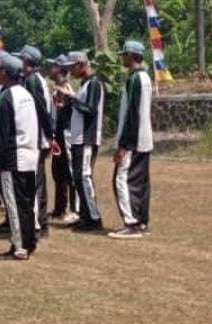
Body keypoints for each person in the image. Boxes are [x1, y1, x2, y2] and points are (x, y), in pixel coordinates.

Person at [0, 54, 40, 260]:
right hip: (29, 154)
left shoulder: (4, 97)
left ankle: (20, 247)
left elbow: (2, 135)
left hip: (13, 158)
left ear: (4, 72)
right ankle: (29, 242)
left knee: (14, 204)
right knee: (26, 203)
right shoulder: (25, 94)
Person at [109, 41, 155, 240]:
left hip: (133, 140)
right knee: (141, 182)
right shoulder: (145, 77)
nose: (122, 58)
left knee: (122, 179)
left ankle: (131, 222)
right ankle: (142, 219)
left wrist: (123, 145)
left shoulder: (135, 79)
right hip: (144, 138)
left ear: (131, 55)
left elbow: (132, 115)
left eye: (124, 55)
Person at [56, 51, 105, 232]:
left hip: (87, 137)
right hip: (78, 137)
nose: (70, 70)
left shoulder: (93, 84)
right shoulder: (85, 84)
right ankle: (85, 215)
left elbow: (90, 109)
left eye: (72, 66)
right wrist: (70, 100)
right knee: (78, 177)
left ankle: (94, 218)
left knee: (84, 176)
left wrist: (71, 98)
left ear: (82, 64)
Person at [18, 45, 55, 238]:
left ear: (26, 60)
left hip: (37, 137)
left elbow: (40, 109)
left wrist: (49, 135)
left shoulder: (33, 80)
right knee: (37, 182)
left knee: (36, 183)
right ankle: (40, 222)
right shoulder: (33, 79)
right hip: (38, 137)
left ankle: (38, 224)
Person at [48, 55, 78, 221]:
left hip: (66, 132)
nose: (49, 70)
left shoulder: (66, 89)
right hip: (57, 133)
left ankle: (74, 208)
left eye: (52, 66)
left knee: (69, 171)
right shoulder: (55, 89)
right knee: (58, 171)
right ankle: (60, 207)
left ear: (59, 69)